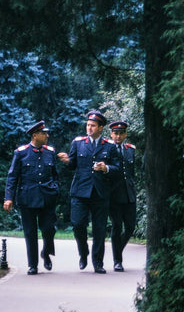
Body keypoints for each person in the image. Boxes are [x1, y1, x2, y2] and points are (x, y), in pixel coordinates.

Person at [57, 110, 120, 273]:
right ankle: (83, 253)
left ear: (101, 128)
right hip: (80, 191)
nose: (89, 128)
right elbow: (73, 165)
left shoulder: (110, 146)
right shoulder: (78, 143)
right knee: (78, 224)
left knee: (99, 228)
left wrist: (106, 168)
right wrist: (67, 161)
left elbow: (118, 169)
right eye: (88, 125)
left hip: (100, 192)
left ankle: (98, 262)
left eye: (93, 126)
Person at [4, 120, 59, 275]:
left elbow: (55, 174)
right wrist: (8, 198)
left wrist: (55, 188)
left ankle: (46, 252)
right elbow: (12, 176)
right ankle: (33, 265)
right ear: (35, 135)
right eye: (44, 133)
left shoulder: (50, 152)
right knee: (30, 232)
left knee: (49, 229)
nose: (47, 135)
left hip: (47, 197)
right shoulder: (21, 152)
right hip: (27, 198)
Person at [108, 121, 137, 272]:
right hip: (114, 195)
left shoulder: (130, 149)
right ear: (111, 134)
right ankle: (117, 261)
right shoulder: (107, 149)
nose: (118, 136)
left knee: (131, 226)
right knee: (117, 226)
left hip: (129, 193)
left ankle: (117, 250)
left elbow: (132, 172)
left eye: (121, 133)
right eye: (115, 133)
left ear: (125, 134)